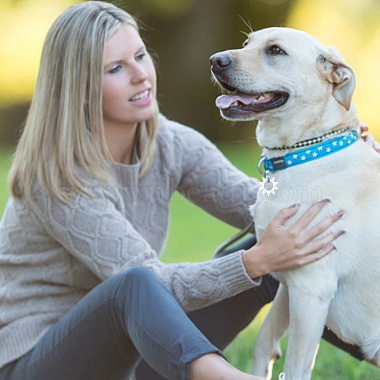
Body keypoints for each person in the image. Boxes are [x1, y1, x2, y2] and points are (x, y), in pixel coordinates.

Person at [0, 2, 375, 379]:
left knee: (295, 234)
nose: (140, 76)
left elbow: (264, 202)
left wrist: (342, 162)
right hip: (40, 364)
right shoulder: (55, 179)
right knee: (136, 284)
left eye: (140, 56)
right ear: (78, 89)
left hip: (141, 351)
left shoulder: (170, 144)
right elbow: (150, 282)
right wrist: (257, 261)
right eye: (116, 68)